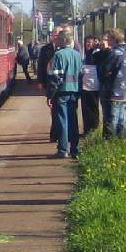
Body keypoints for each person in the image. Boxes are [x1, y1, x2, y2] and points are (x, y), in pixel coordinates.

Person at [47, 28, 82, 158]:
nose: (55, 41)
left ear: (62, 40)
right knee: (73, 120)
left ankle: (62, 149)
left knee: (62, 120)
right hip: (75, 91)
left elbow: (54, 77)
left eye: (57, 39)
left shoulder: (58, 55)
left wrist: (50, 95)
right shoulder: (78, 55)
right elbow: (80, 74)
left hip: (61, 92)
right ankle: (74, 149)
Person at [100, 27, 126, 138]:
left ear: (114, 39)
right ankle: (122, 141)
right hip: (122, 90)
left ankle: (109, 142)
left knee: (111, 119)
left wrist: (104, 73)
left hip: (112, 90)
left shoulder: (114, 53)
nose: (107, 41)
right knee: (121, 118)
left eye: (109, 38)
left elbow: (105, 70)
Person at [80, 35, 103, 135]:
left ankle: (93, 130)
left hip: (94, 86)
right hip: (85, 86)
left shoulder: (97, 53)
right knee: (85, 109)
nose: (88, 44)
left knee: (93, 108)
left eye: (90, 42)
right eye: (87, 42)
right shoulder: (86, 54)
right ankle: (86, 129)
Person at [37, 34, 58, 141]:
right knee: (53, 109)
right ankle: (55, 134)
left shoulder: (64, 48)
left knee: (57, 110)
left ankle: (56, 134)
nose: (55, 36)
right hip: (50, 82)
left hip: (61, 84)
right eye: (54, 34)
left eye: (58, 34)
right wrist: (40, 81)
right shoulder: (45, 49)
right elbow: (40, 65)